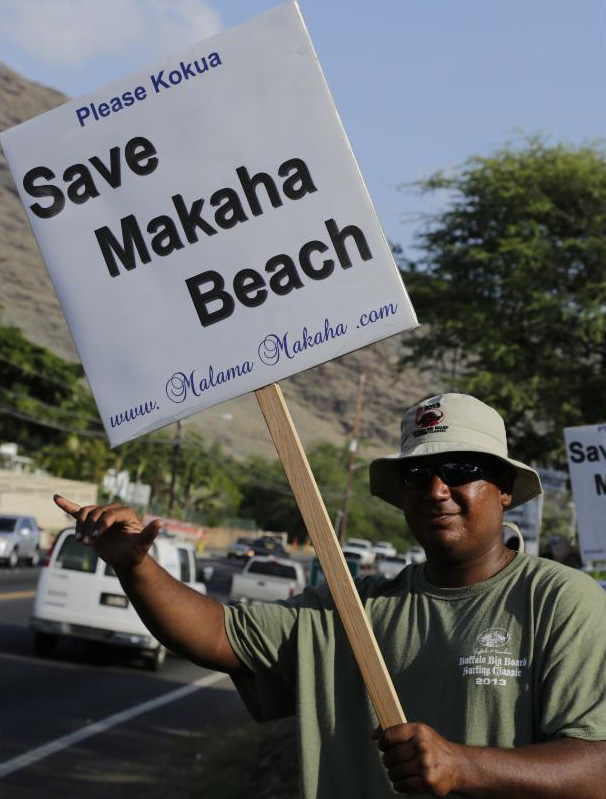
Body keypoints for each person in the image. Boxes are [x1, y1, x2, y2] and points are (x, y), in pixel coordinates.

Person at [54, 393, 606, 798]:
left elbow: (596, 767)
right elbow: (218, 635)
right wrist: (136, 568)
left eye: (461, 470)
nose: (437, 490)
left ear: (504, 489)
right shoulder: (352, 608)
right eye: (417, 474)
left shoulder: (561, 603)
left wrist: (462, 766)